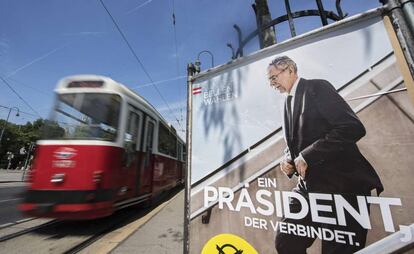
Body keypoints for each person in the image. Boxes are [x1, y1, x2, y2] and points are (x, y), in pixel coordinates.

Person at [267, 56, 383, 253]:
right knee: (286, 242)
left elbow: (352, 127)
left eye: (273, 78)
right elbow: (298, 141)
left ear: (290, 70)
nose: (272, 84)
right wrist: (288, 158)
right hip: (308, 188)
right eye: (269, 81)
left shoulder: (317, 88)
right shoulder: (286, 103)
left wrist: (308, 155)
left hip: (342, 186)